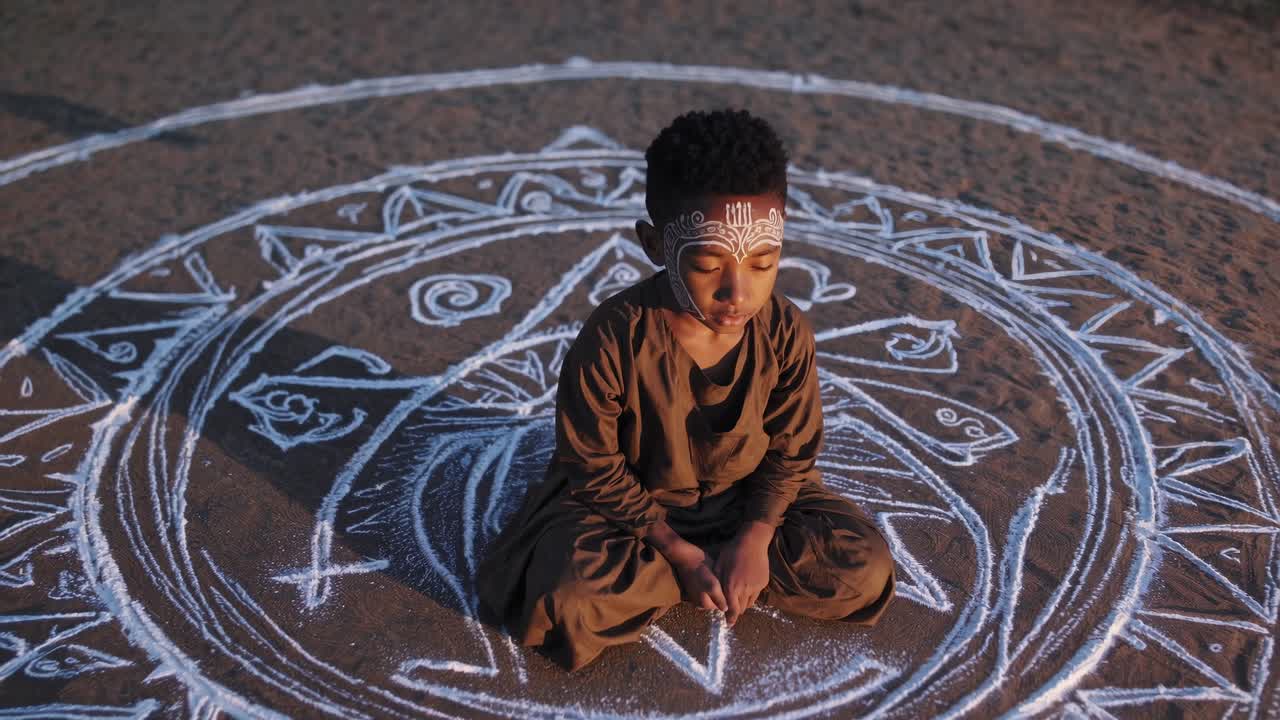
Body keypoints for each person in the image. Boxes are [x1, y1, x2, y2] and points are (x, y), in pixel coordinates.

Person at [476, 108, 895, 672]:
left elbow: (792, 451)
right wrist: (674, 548)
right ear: (654, 244)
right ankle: (691, 572)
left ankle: (720, 569)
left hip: (748, 501)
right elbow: (591, 463)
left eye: (763, 262)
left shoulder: (785, 330)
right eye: (706, 263)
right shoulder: (613, 337)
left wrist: (754, 537)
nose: (737, 291)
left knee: (861, 568)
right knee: (567, 600)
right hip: (631, 514)